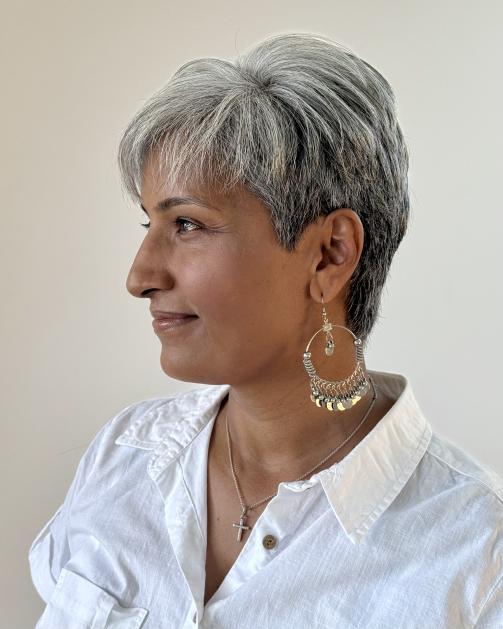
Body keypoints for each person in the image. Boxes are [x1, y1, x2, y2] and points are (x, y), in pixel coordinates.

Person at [28, 32, 503, 628]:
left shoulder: (477, 561)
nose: (140, 276)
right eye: (149, 224)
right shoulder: (124, 456)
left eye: (187, 224)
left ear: (329, 255)